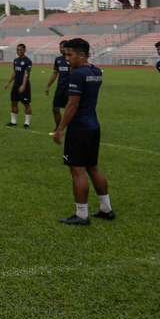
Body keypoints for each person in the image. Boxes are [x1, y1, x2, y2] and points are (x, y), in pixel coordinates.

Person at [52, 38, 114, 223]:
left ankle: (81, 214)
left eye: (70, 55)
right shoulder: (96, 72)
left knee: (77, 170)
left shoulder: (77, 75)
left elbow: (73, 104)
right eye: (65, 55)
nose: (67, 58)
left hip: (79, 128)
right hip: (93, 125)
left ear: (81, 54)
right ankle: (106, 208)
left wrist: (60, 128)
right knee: (92, 167)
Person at [4, 43, 32, 128]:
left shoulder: (27, 61)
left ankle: (27, 123)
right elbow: (15, 72)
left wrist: (23, 85)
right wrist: (9, 82)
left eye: (20, 50)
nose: (18, 51)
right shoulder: (16, 60)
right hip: (16, 85)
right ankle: (13, 122)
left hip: (24, 85)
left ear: (25, 50)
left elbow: (26, 74)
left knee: (26, 104)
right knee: (14, 103)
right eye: (17, 50)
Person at [45, 41, 71, 128]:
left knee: (70, 110)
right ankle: (58, 128)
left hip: (70, 88)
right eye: (60, 47)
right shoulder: (58, 60)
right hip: (60, 87)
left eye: (63, 47)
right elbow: (55, 73)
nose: (62, 49)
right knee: (55, 109)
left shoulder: (72, 59)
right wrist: (48, 85)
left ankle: (72, 129)